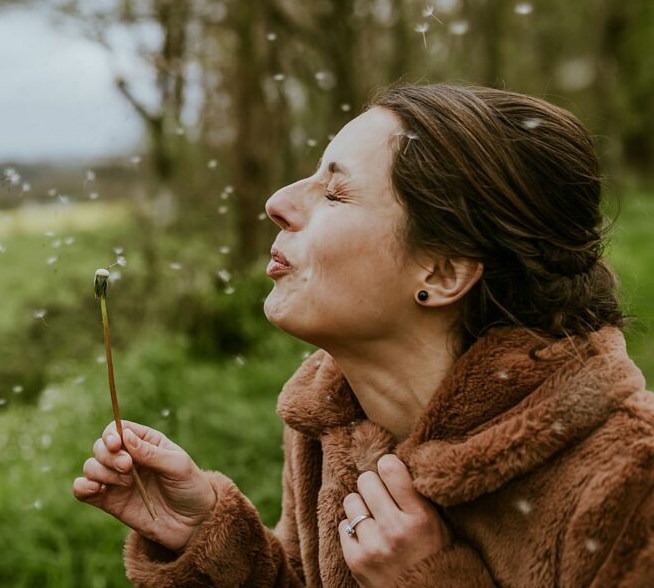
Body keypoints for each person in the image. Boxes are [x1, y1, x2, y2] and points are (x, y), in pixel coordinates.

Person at [73, 84, 654, 586]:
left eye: (335, 192)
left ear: (443, 272)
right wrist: (208, 541)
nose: (277, 203)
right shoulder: (335, 423)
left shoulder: (632, 484)